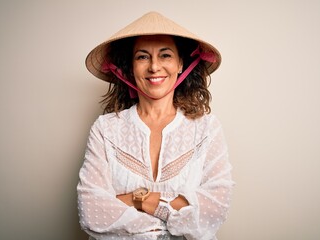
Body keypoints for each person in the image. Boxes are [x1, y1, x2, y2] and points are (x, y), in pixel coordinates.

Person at [77, 11, 234, 240]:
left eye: (165, 55)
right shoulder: (105, 129)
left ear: (180, 63)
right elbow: (91, 211)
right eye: (142, 57)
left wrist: (136, 200)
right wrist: (174, 213)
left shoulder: (207, 128)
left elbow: (215, 207)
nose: (154, 67)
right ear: (130, 67)